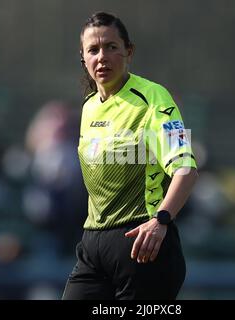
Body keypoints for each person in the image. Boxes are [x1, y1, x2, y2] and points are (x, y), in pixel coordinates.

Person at [62, 11, 198, 300]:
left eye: (111, 47)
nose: (102, 57)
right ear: (83, 58)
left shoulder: (154, 98)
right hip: (92, 247)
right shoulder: (88, 108)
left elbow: (186, 168)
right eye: (93, 50)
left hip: (143, 244)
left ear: (128, 51)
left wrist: (161, 220)